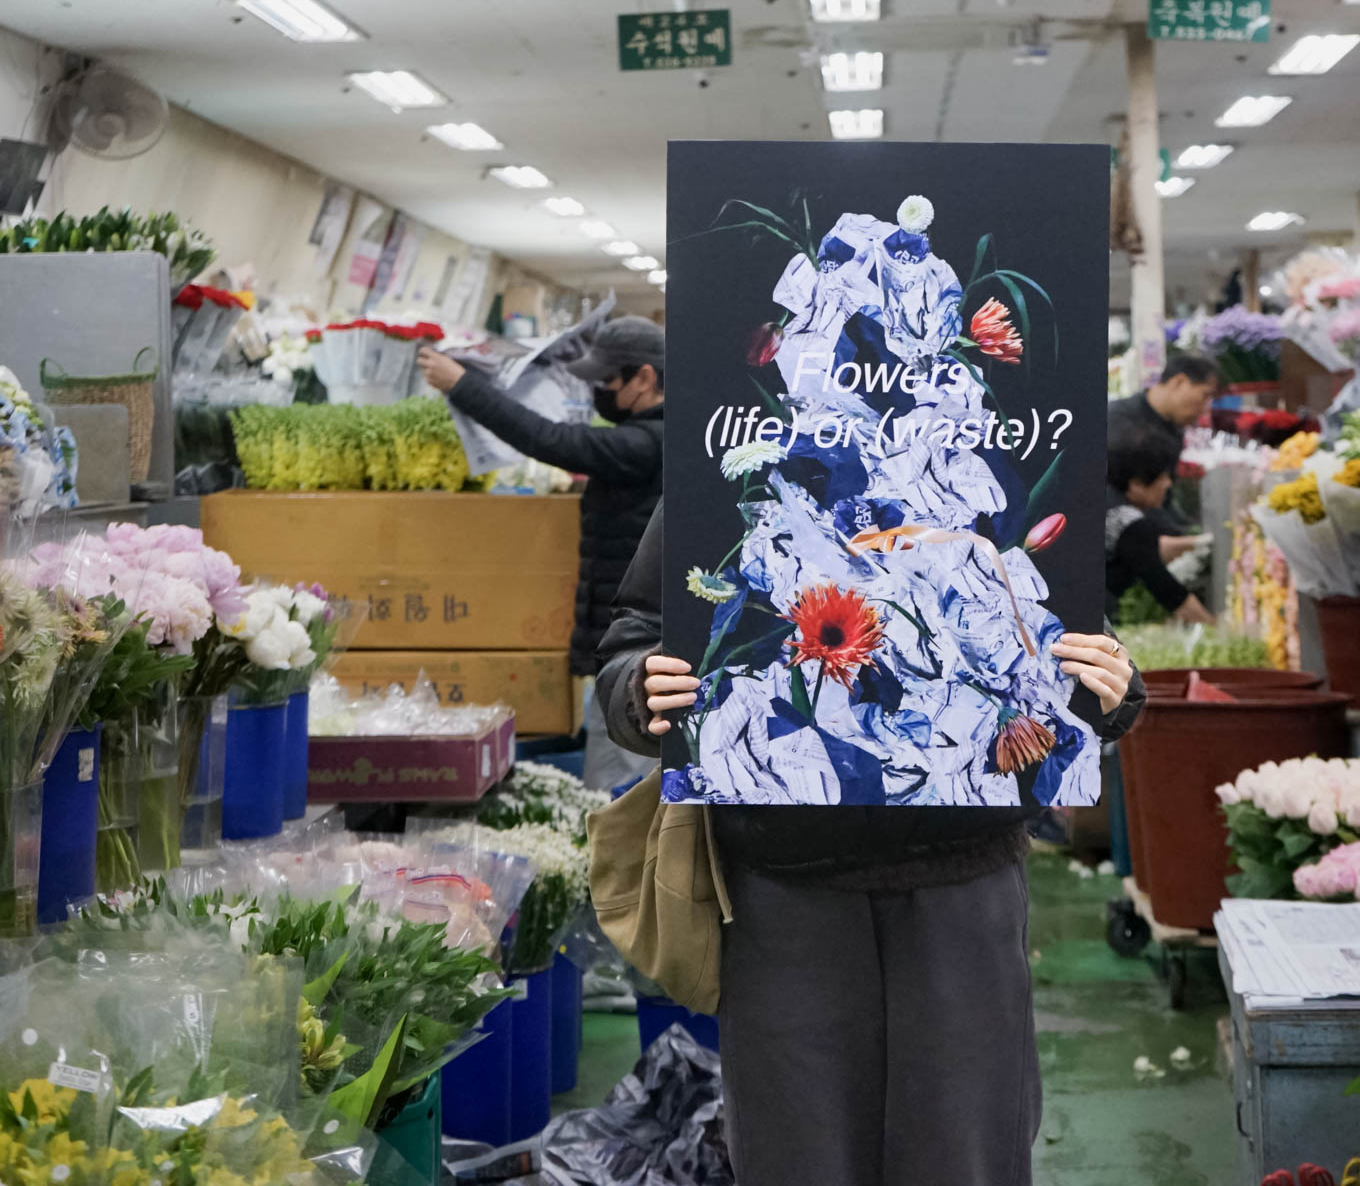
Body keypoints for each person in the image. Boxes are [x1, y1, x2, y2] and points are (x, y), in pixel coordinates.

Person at [595, 507, 1145, 1186]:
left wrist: (1112, 689)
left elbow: (1087, 648)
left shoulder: (978, 467)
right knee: (799, 1152)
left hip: (960, 890)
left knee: (964, 1149)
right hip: (783, 893)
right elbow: (634, 638)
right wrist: (638, 687)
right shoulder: (736, 446)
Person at [417, 317, 665, 789]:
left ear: (645, 378)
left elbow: (552, 440)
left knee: (615, 787)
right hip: (622, 644)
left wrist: (464, 385)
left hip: (635, 651)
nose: (596, 393)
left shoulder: (649, 443)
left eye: (605, 381)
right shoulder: (650, 437)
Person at [1105, 422, 1213, 626]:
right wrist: (1215, 626)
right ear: (1136, 484)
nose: (1167, 484)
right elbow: (1168, 590)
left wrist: (1201, 543)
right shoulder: (1126, 519)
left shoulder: (1109, 504)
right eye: (1162, 477)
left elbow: (1149, 548)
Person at [1107, 351, 1221, 445]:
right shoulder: (1117, 424)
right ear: (1179, 382)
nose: (1205, 409)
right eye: (1205, 395)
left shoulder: (1172, 426)